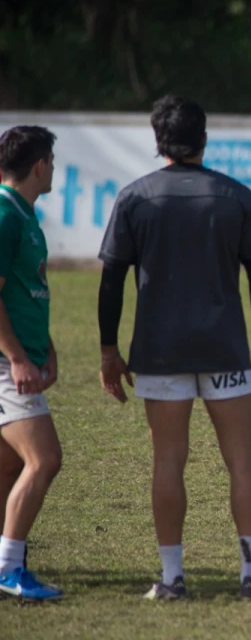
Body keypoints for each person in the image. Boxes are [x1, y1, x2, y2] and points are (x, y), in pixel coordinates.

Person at [97, 97, 251, 600]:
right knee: (242, 460)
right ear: (204, 138)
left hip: (159, 351)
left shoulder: (135, 197)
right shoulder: (236, 195)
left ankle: (173, 579)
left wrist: (109, 350)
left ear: (158, 140)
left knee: (168, 461)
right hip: (224, 348)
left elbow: (111, 281)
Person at [0, 126, 63, 601]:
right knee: (44, 460)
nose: (54, 170)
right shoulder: (5, 213)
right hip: (6, 364)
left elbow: (26, 291)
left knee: (8, 466)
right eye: (52, 161)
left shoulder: (23, 212)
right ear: (40, 165)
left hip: (21, 357)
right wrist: (18, 357)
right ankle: (8, 570)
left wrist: (48, 347)